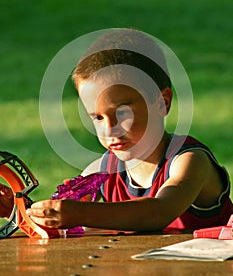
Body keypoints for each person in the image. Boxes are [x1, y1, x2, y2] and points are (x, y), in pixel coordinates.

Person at [3, 28, 233, 232]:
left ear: (162, 101)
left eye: (122, 113)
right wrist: (25, 209)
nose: (109, 129)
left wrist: (80, 213)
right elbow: (67, 220)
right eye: (97, 117)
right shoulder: (103, 170)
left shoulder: (190, 161)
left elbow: (159, 212)